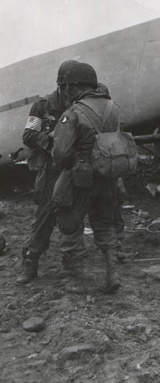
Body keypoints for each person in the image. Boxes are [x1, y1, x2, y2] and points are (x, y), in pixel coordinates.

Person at [51, 62, 125, 293]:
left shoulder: (72, 113)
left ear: (73, 87)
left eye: (64, 87)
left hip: (79, 178)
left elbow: (61, 153)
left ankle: (71, 276)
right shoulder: (114, 108)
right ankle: (113, 272)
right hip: (108, 176)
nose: (64, 92)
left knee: (70, 223)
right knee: (104, 221)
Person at [15, 60, 85, 284]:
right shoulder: (42, 106)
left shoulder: (80, 106)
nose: (75, 92)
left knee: (72, 218)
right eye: (72, 87)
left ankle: (69, 268)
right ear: (63, 86)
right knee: (44, 218)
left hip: (71, 170)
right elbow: (28, 135)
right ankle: (31, 262)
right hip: (50, 170)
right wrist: (53, 142)